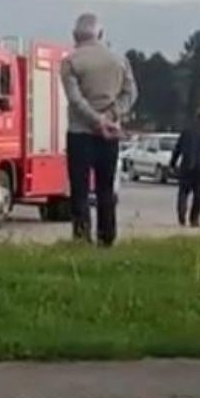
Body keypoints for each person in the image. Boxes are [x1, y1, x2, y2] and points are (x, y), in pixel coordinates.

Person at [61, 13, 137, 247]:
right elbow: (131, 93)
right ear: (101, 35)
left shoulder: (70, 62)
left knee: (80, 189)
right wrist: (112, 116)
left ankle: (82, 236)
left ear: (75, 36)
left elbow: (75, 99)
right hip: (111, 133)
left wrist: (95, 120)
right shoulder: (119, 60)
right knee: (105, 187)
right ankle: (107, 236)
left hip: (80, 133)